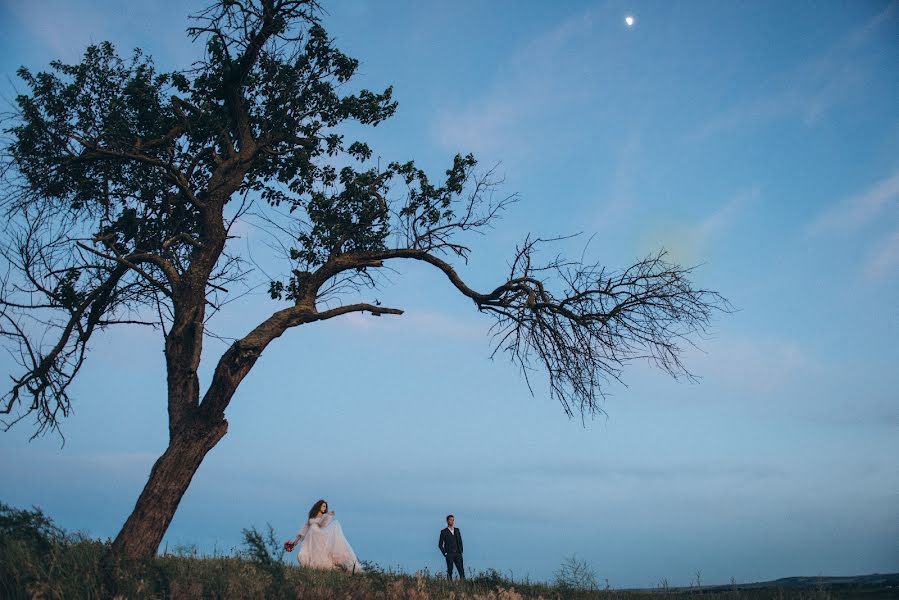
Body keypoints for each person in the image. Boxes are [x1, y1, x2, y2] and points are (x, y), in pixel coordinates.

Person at [285, 499, 363, 572]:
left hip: (318, 538)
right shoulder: (311, 517)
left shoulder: (324, 516)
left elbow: (321, 524)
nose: (325, 508)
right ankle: (309, 569)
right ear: (319, 506)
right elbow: (304, 529)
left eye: (325, 506)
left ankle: (316, 571)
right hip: (309, 539)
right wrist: (295, 541)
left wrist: (327, 515)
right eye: (323, 506)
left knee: (319, 558)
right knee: (301, 555)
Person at [438, 514, 464, 580]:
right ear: (447, 521)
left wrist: (461, 551)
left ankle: (463, 584)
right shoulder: (444, 531)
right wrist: (445, 553)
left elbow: (460, 541)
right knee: (450, 570)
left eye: (453, 520)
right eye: (450, 520)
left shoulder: (457, 530)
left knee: (461, 570)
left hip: (458, 553)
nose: (452, 521)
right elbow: (440, 544)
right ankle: (449, 585)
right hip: (449, 554)